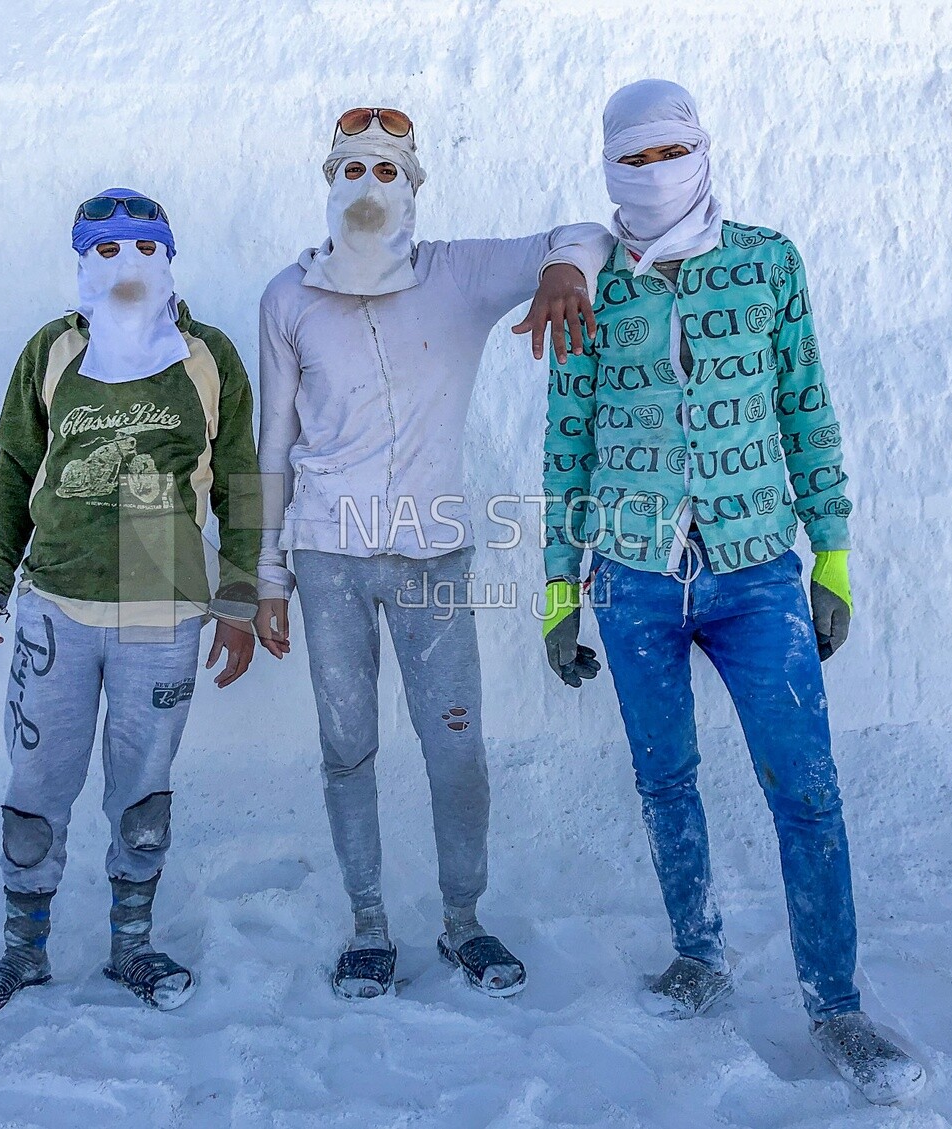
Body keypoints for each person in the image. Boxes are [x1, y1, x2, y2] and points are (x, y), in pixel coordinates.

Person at [539, 81, 924, 1105]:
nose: (656, 170)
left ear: (704, 149)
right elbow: (566, 437)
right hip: (632, 575)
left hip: (757, 570)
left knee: (805, 788)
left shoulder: (766, 262)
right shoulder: (590, 286)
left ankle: (837, 1003)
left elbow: (806, 403)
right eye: (635, 156)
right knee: (664, 778)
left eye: (673, 150)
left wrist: (831, 551)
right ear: (608, 166)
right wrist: (554, 586)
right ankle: (698, 952)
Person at [255, 107, 614, 1000]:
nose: (366, 188)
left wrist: (566, 267)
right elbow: (271, 444)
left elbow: (586, 232)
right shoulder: (287, 297)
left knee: (456, 748)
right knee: (347, 747)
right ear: (326, 182)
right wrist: (264, 574)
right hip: (326, 557)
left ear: (414, 186)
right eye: (349, 170)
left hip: (433, 557)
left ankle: (464, 922)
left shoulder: (457, 273)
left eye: (386, 171)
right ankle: (369, 924)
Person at [0, 188, 262, 1015]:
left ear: (171, 255)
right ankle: (23, 951)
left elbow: (239, 483)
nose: (130, 265)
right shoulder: (52, 352)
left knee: (143, 782)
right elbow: (16, 470)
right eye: (109, 250)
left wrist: (239, 598)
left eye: (147, 247)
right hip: (56, 594)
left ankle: (133, 946)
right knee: (39, 780)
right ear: (82, 263)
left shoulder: (207, 356)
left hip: (161, 597)